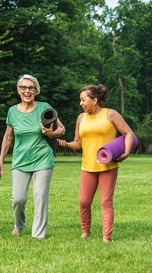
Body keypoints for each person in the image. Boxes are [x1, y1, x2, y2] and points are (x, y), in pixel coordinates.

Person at [58, 84, 135, 242]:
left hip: (108, 165)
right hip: (88, 166)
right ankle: (86, 231)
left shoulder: (111, 114)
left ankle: (107, 237)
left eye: (83, 100)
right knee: (84, 202)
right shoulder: (81, 118)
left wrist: (126, 153)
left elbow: (128, 133)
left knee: (105, 202)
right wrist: (66, 144)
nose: (81, 103)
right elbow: (78, 143)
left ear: (94, 100)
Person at [0, 74, 65, 239]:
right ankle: (19, 225)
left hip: (42, 157)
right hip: (20, 159)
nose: (27, 91)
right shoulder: (12, 111)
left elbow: (61, 129)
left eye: (31, 88)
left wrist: (51, 133)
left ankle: (38, 234)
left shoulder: (44, 107)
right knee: (18, 199)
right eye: (24, 87)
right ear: (18, 90)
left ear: (36, 90)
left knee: (40, 195)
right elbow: (8, 138)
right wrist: (0, 161)